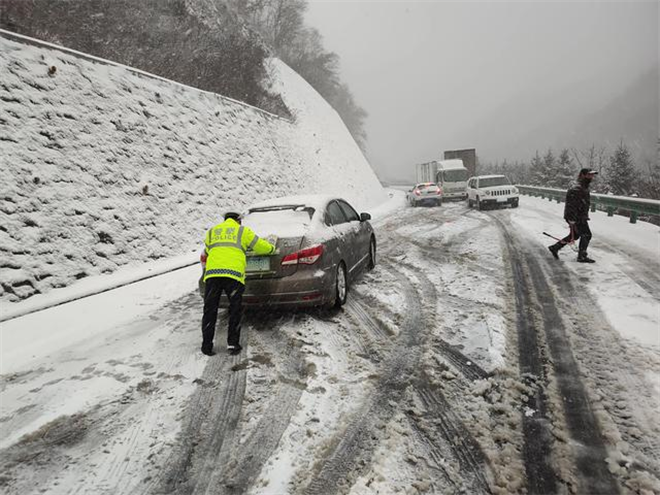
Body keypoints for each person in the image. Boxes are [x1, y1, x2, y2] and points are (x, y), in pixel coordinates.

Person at [200, 211, 275, 356]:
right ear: (238, 221)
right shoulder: (242, 231)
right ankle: (233, 344)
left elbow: (209, 250)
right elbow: (260, 246)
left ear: (225, 220)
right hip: (232, 275)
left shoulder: (212, 231)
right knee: (235, 310)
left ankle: (206, 346)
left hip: (213, 275)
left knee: (210, 311)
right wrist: (271, 248)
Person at [548, 168, 597, 263]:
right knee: (586, 235)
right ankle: (582, 256)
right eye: (589, 175)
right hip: (576, 217)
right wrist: (571, 219)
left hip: (579, 216)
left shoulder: (583, 186)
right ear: (582, 175)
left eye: (592, 175)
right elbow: (571, 205)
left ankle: (555, 247)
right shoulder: (577, 188)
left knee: (575, 235)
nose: (591, 177)